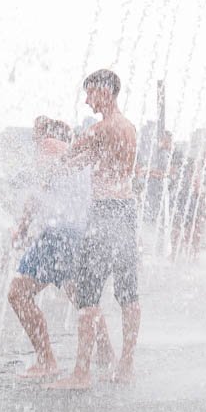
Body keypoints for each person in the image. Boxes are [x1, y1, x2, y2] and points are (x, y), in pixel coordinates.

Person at [49, 70, 140, 390]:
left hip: (104, 214)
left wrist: (50, 149)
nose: (86, 100)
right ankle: (126, 365)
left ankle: (81, 373)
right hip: (126, 212)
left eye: (89, 93)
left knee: (87, 294)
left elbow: (67, 155)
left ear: (105, 91)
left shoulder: (100, 129)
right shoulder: (127, 128)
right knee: (128, 293)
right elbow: (89, 161)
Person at [8, 117, 91, 378]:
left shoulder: (48, 146)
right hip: (76, 232)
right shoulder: (73, 151)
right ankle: (106, 354)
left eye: (36, 132)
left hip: (58, 235)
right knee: (83, 299)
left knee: (18, 294)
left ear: (44, 133)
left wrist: (21, 229)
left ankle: (46, 361)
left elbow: (36, 192)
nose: (34, 138)